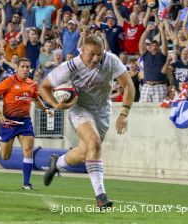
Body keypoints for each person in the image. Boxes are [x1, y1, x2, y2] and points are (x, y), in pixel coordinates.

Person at [39, 35, 135, 209]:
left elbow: (128, 85)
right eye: (92, 54)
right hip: (79, 108)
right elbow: (43, 87)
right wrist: (55, 105)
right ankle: (101, 196)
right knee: (94, 142)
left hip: (103, 111)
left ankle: (57, 163)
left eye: (99, 54)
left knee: (87, 151)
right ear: (82, 50)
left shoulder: (110, 60)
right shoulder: (70, 67)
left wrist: (123, 113)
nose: (96, 58)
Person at [0, 58, 54, 190]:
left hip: (25, 122)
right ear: (17, 68)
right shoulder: (9, 81)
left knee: (28, 150)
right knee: (5, 157)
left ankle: (26, 183)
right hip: (9, 122)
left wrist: (46, 109)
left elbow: (36, 99)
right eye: (22, 66)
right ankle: (2, 144)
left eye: (27, 67)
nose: (25, 69)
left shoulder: (32, 84)